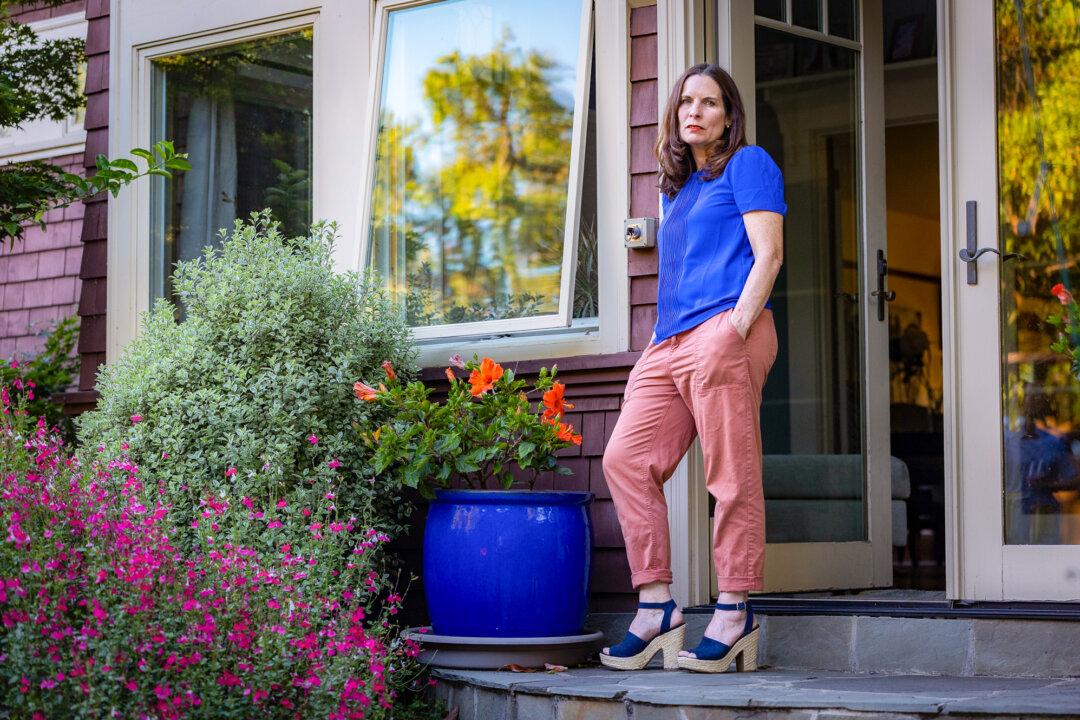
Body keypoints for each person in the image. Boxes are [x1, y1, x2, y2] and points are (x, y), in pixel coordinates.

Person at [599, 63, 785, 673]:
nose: (694, 112)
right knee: (625, 458)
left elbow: (769, 255)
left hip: (724, 331)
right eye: (685, 103)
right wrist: (660, 338)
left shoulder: (749, 164)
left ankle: (734, 609)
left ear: (728, 115)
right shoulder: (677, 190)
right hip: (670, 340)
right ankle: (657, 607)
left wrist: (732, 330)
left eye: (708, 103)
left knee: (729, 473)